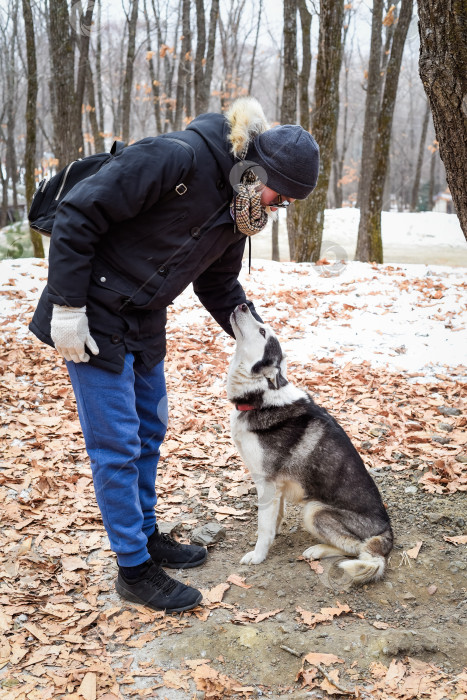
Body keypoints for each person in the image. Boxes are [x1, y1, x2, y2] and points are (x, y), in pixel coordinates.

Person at [29, 97, 319, 613]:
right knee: (115, 442)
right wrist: (68, 307)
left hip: (144, 317)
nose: (278, 207)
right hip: (91, 312)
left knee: (149, 429)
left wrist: (251, 328)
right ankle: (133, 568)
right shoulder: (177, 157)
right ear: (260, 169)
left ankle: (145, 535)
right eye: (282, 195)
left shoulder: (241, 204)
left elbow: (218, 280)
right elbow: (78, 213)